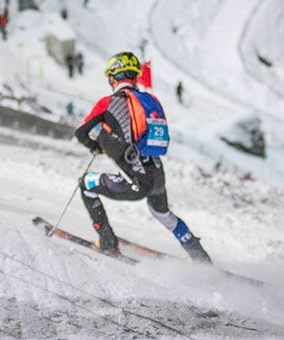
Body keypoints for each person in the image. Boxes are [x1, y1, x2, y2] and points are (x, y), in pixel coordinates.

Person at [73, 51, 211, 262]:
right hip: (156, 176)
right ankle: (199, 255)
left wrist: (95, 146)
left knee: (86, 185)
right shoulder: (147, 100)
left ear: (113, 78)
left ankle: (107, 242)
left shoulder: (108, 103)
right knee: (164, 215)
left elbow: (80, 132)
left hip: (135, 182)